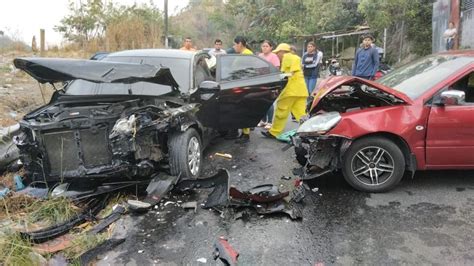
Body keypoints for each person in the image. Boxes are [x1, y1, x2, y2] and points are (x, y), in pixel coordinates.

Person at [261, 43, 308, 139]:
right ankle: (309, 131)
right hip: (301, 90)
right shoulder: (295, 58)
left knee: (281, 112)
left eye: (278, 53)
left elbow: (290, 73)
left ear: (282, 52)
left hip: (290, 90)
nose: (277, 55)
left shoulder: (287, 57)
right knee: (301, 114)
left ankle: (274, 132)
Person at [232, 36, 253, 143]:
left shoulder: (247, 54)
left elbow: (245, 71)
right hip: (242, 85)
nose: (234, 46)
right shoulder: (245, 54)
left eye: (235, 44)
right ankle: (245, 133)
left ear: (240, 44)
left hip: (245, 86)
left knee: (244, 110)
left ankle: (246, 135)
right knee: (243, 109)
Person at [257, 40, 280, 129]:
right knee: (261, 101)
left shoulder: (273, 56)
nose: (264, 48)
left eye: (266, 46)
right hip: (261, 81)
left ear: (271, 48)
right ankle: (263, 120)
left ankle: (270, 122)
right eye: (263, 46)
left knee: (269, 102)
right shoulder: (260, 56)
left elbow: (277, 68)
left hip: (270, 82)